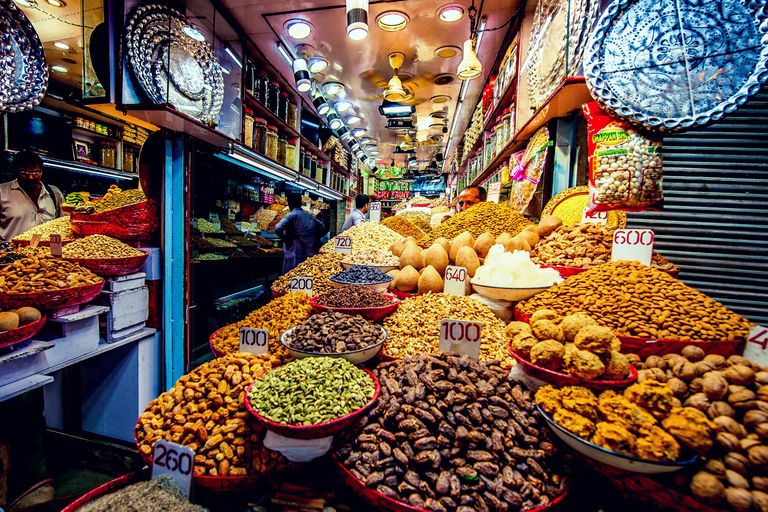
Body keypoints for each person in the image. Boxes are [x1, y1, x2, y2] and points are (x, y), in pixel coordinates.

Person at [0, 151, 63, 240]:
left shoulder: (54, 193)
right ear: (15, 171)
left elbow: (64, 224)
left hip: (46, 252)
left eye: (36, 172)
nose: (31, 177)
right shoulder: (2, 192)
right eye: (25, 173)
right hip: (11, 251)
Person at [275, 193, 327, 273]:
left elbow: (278, 228)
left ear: (289, 204)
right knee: (306, 274)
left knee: (291, 276)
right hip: (309, 252)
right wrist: (315, 238)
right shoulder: (310, 216)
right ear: (300, 203)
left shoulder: (291, 215)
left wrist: (286, 240)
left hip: (294, 251)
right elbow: (323, 227)